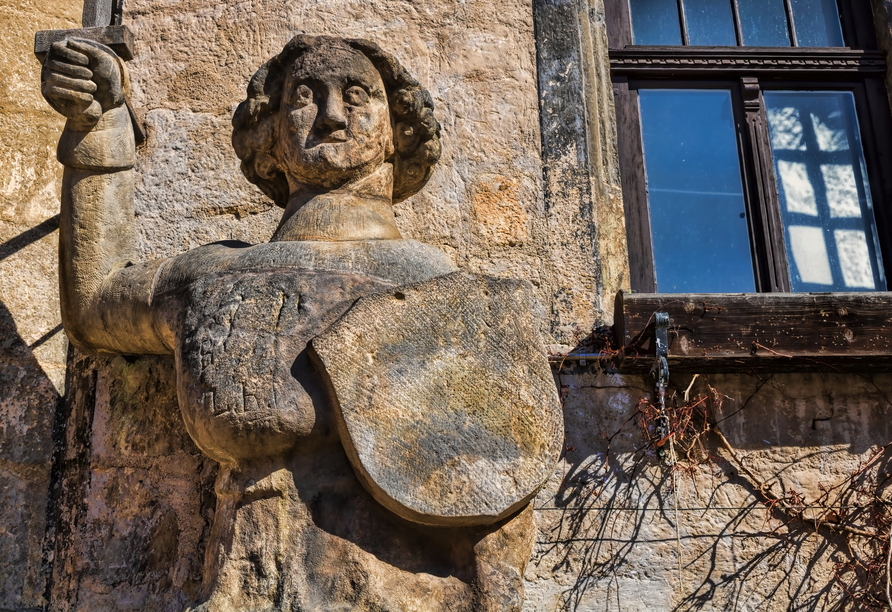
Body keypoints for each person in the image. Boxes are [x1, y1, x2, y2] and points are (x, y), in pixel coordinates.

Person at [41, 34, 534, 611]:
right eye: (303, 97)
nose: (329, 116)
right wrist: (99, 128)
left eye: (357, 95)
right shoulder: (211, 277)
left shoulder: (453, 298)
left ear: (399, 133)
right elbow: (94, 304)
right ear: (267, 135)